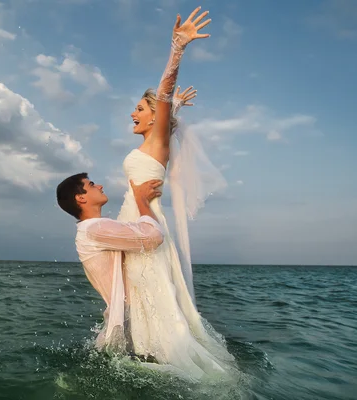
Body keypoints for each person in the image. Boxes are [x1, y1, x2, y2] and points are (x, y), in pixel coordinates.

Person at [116, 4, 235, 380]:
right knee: (141, 295)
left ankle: (163, 359)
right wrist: (176, 107)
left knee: (155, 295)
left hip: (145, 224)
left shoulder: (156, 145)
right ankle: (144, 351)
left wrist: (177, 47)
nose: (132, 115)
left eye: (138, 109)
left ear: (155, 116)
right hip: (133, 222)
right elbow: (166, 107)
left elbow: (164, 90)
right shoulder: (156, 141)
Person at [56, 173, 166, 353]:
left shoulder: (92, 229)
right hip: (126, 318)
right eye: (91, 184)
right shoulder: (93, 229)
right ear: (81, 197)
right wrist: (142, 201)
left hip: (124, 317)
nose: (99, 186)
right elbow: (154, 237)